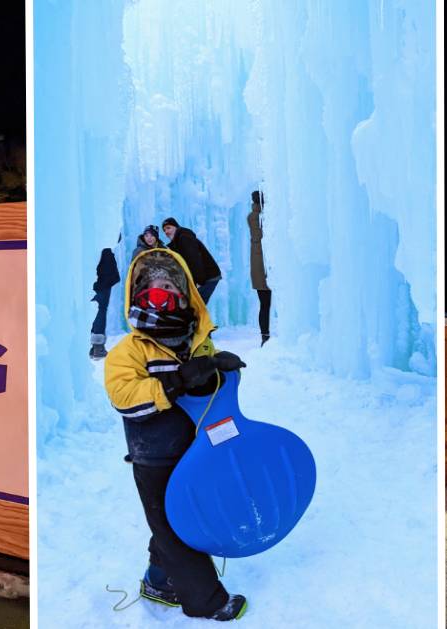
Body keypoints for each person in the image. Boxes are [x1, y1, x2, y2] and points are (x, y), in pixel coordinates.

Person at [103, 248, 248, 621]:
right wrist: (177, 380)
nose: (160, 292)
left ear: (186, 295)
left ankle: (158, 579)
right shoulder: (129, 352)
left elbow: (207, 395)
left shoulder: (196, 342)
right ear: (137, 295)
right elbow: (126, 399)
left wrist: (216, 368)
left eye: (168, 285)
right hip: (153, 455)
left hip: (195, 449)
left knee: (181, 520)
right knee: (173, 529)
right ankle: (207, 601)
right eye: (151, 287)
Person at [162, 218, 223, 305]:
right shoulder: (178, 241)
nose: (166, 232)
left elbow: (194, 260)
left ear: (176, 227)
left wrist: (199, 282)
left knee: (196, 306)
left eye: (168, 228)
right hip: (205, 277)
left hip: (208, 278)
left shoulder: (185, 238)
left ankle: (199, 318)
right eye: (164, 230)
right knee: (195, 306)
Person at [89, 241, 121, 360]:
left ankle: (96, 344)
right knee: (101, 309)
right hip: (103, 281)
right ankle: (98, 344)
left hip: (102, 281)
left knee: (99, 309)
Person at [247, 191, 272, 346]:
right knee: (267, 303)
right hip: (266, 266)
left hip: (257, 267)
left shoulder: (251, 216)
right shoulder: (264, 217)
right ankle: (266, 336)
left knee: (264, 304)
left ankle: (265, 335)